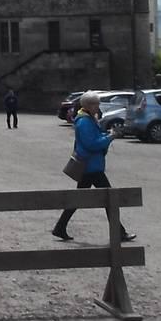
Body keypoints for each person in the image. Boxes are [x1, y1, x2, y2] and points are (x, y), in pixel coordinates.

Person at [52, 93, 137, 243]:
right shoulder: (85, 122)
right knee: (110, 198)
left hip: (90, 166)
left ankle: (60, 227)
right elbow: (91, 144)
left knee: (80, 199)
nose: (98, 107)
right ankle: (119, 232)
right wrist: (109, 137)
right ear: (88, 106)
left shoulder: (88, 119)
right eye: (96, 104)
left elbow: (94, 139)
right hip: (91, 167)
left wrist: (107, 135)